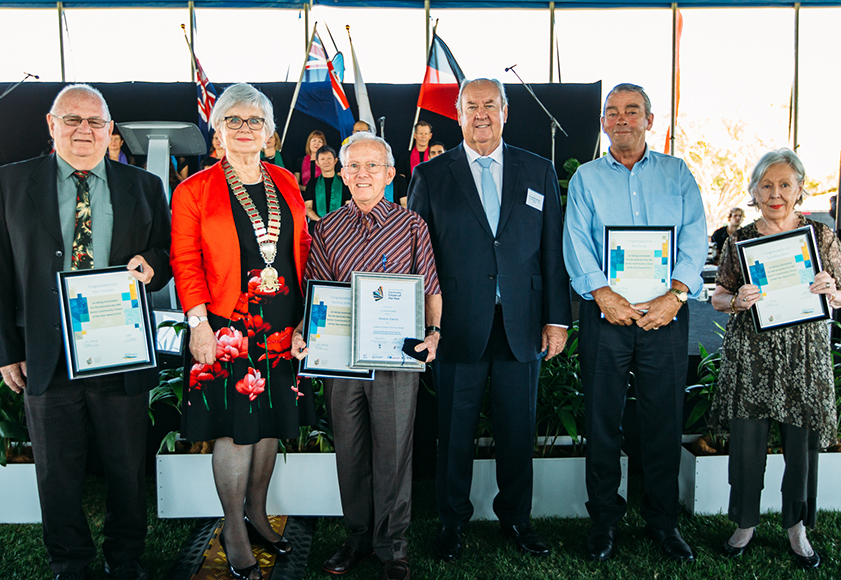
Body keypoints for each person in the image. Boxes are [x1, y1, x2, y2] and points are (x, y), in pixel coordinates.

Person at [0, 84, 172, 580]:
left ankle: (125, 557)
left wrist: (151, 266)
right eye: (72, 120)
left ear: (110, 130)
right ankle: (69, 561)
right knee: (57, 472)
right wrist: (5, 351)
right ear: (51, 124)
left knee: (127, 468)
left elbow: (164, 254)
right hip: (46, 353)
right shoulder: (11, 181)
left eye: (95, 121)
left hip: (120, 350)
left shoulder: (144, 186)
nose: (84, 130)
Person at [409, 78, 571, 561]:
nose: (481, 114)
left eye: (490, 105)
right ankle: (451, 523)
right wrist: (426, 325)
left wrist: (557, 319)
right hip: (456, 326)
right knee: (453, 431)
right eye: (471, 106)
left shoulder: (537, 170)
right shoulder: (432, 175)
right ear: (457, 115)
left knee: (517, 431)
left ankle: (517, 520)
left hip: (522, 325)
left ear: (506, 111)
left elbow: (552, 251)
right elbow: (420, 256)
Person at [171, 83, 315, 580]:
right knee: (234, 431)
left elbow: (302, 249)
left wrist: (305, 315)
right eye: (234, 119)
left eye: (255, 121)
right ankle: (234, 527)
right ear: (217, 129)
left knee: (270, 423)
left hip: (282, 325)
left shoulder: (286, 181)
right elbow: (185, 261)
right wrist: (198, 324)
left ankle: (257, 511)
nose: (245, 129)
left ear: (270, 132)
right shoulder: (193, 189)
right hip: (227, 325)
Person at [562, 83, 707, 563]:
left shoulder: (677, 173)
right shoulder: (585, 177)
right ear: (603, 122)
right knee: (603, 422)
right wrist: (603, 294)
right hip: (606, 315)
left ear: (649, 118)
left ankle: (664, 522)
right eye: (612, 112)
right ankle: (604, 521)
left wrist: (676, 294)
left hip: (666, 315)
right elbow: (577, 241)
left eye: (632, 111)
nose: (621, 119)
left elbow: (694, 238)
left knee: (662, 423)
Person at [292, 132, 442, 580]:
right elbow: (314, 294)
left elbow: (430, 287)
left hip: (396, 361)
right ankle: (356, 539)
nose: (361, 174)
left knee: (394, 454)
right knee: (351, 453)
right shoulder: (327, 227)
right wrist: (303, 332)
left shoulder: (412, 224)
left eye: (372, 166)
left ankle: (393, 547)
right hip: (342, 360)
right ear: (341, 172)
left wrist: (433, 334)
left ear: (390, 174)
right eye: (352, 166)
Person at [709, 149, 839, 570]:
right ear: (754, 191)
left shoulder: (822, 236)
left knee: (800, 449)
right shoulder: (740, 238)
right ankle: (744, 524)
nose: (776, 193)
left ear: (800, 189)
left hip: (805, 357)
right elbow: (718, 296)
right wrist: (736, 300)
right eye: (767, 185)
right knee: (747, 446)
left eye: (785, 184)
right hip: (752, 355)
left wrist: (831, 290)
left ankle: (796, 528)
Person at [303, 145, 349, 235]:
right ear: (317, 162)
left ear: (335, 160)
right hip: (317, 225)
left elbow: (348, 207)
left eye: (329, 158)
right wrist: (320, 221)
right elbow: (307, 208)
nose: (326, 162)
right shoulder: (312, 183)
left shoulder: (345, 183)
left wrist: (335, 222)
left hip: (340, 225)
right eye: (322, 159)